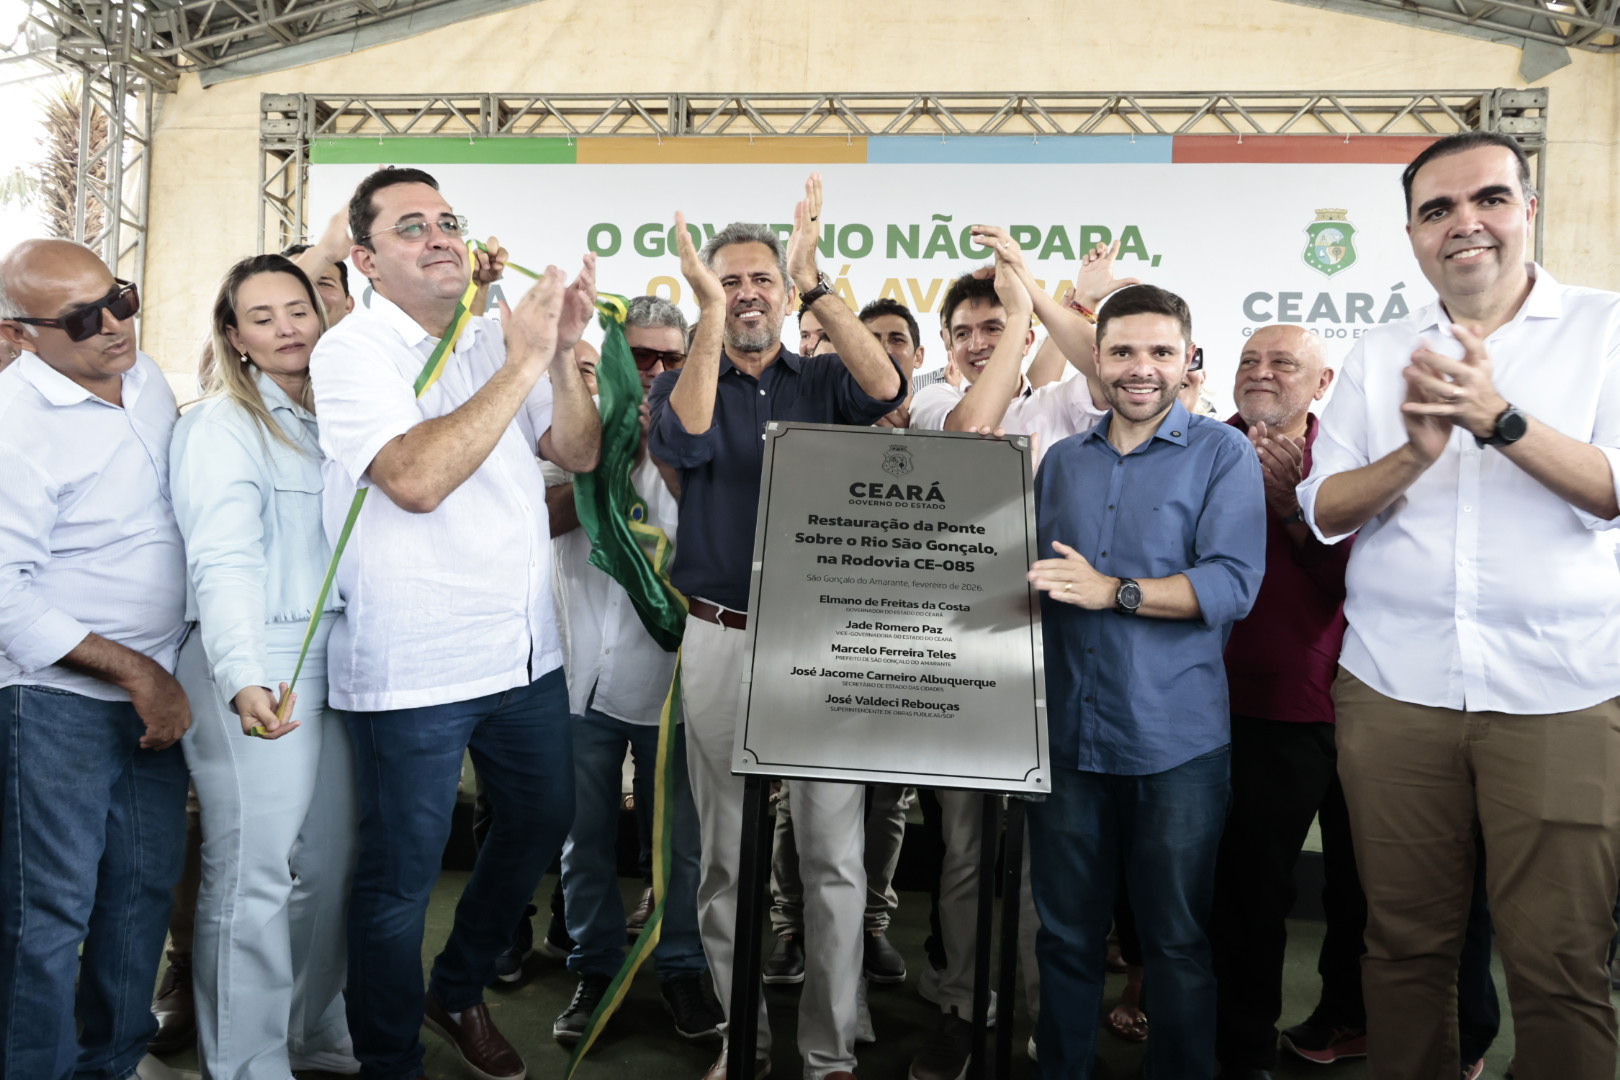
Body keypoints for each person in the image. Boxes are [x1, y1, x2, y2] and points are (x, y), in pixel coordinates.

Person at [1298, 130, 1620, 1080]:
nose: (1464, 223)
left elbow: (1613, 490)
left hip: (1561, 692)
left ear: (1528, 210)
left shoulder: (1605, 328)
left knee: (1559, 962)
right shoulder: (1380, 348)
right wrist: (1414, 457)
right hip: (1396, 688)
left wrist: (1499, 420)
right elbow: (1322, 508)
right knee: (1402, 950)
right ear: (1411, 234)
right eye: (1437, 209)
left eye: (1487, 198)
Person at [310, 165, 601, 1080]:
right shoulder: (351, 352)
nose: (440, 235)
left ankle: (460, 984)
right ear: (364, 259)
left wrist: (557, 349)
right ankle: (388, 1058)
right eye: (410, 227)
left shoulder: (492, 337)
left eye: (446, 220)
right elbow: (416, 480)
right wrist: (520, 357)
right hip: (415, 663)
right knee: (401, 876)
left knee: (542, 818)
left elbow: (578, 452)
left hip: (523, 654)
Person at [648, 174, 905, 1080]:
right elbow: (682, 441)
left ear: (785, 291)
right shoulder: (681, 385)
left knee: (833, 858)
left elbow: (887, 386)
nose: (748, 292)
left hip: (819, 644)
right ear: (708, 292)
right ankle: (741, 1043)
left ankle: (830, 1054)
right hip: (719, 636)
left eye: (762, 280)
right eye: (729, 280)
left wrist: (816, 276)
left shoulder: (826, 376)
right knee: (724, 859)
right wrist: (707, 317)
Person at [1026, 283, 1265, 1080]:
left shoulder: (1222, 454)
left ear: (1188, 361)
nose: (1141, 369)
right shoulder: (1061, 462)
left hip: (1176, 747)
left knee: (1174, 943)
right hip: (1065, 738)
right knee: (1063, 936)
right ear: (1096, 359)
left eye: (1161, 352)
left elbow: (1233, 585)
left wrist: (1115, 590)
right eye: (1124, 351)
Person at [0, 239, 191, 1080]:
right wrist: (137, 672)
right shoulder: (13, 426)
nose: (115, 324)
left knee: (140, 897)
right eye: (85, 317)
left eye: (121, 295)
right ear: (19, 332)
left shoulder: (146, 378)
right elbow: (5, 596)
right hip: (54, 702)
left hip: (156, 699)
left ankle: (110, 1066)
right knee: (46, 915)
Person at [168, 253, 360, 1079]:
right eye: (262, 316)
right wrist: (241, 670)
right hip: (260, 664)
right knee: (253, 875)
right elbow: (223, 560)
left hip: (342, 662)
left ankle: (311, 1035)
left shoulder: (340, 419)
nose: (287, 327)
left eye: (299, 309)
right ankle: (245, 1063)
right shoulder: (219, 425)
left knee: (328, 867)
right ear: (235, 337)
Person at [546, 295, 723, 1047]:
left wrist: (667, 455)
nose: (652, 375)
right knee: (582, 836)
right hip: (580, 675)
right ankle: (593, 963)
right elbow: (530, 518)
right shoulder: (573, 436)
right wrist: (601, 472)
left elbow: (722, 553)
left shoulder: (710, 447)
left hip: (676, 682)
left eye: (668, 361)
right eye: (638, 359)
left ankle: (682, 967)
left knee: (679, 843)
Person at [1206, 324, 1367, 1080]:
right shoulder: (1204, 445)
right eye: (1249, 360)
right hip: (1224, 703)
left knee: (1359, 887)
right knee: (1250, 890)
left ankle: (1348, 1017)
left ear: (1322, 380)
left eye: (1282, 362)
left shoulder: (1343, 459)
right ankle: (1242, 1049)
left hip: (1332, 702)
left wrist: (1291, 511)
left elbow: (1361, 583)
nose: (1261, 372)